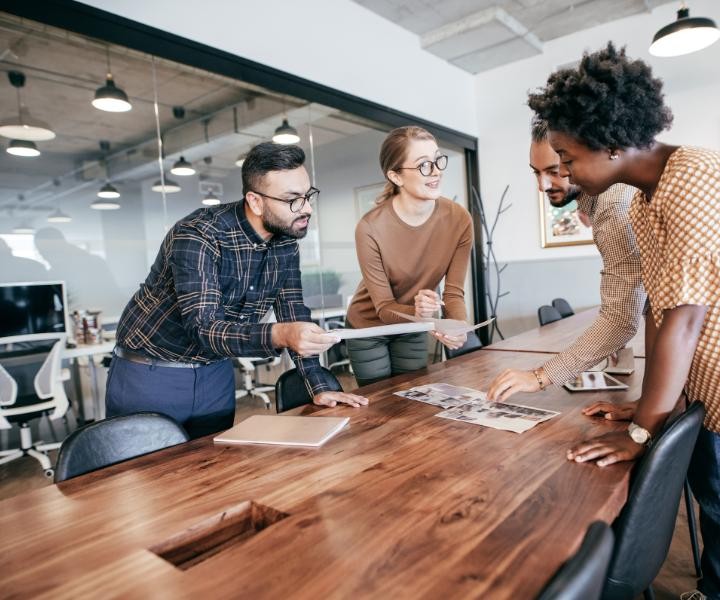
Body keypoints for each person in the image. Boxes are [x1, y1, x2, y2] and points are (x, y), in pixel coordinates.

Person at [529, 42, 720, 599]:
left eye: (568, 158)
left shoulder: (695, 180)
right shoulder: (650, 197)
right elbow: (660, 308)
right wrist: (653, 403)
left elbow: (684, 320)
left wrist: (642, 431)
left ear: (608, 142)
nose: (566, 172)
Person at [108, 143, 367, 438]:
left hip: (215, 371)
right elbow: (203, 328)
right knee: (146, 478)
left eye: (308, 196)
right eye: (292, 199)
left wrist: (318, 386)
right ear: (255, 202)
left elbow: (293, 312)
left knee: (211, 470)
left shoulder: (285, 243)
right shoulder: (199, 234)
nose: (306, 208)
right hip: (152, 372)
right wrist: (280, 334)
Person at [487, 119, 644, 402]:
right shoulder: (608, 199)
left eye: (554, 170)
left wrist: (539, 377)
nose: (542, 185)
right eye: (536, 173)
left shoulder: (613, 203)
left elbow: (621, 320)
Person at [345, 126, 473, 386]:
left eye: (438, 160)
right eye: (424, 165)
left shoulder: (459, 219)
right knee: (380, 404)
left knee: (414, 398)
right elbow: (383, 308)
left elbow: (453, 294)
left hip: (417, 322)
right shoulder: (370, 227)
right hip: (369, 326)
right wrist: (423, 314)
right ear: (396, 176)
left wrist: (457, 327)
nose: (436, 171)